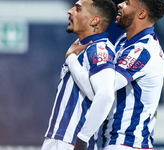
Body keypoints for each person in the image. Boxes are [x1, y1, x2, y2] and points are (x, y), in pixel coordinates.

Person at [65, 0, 164, 149]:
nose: (119, 4)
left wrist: (71, 59)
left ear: (141, 13)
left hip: (128, 144)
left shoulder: (143, 51)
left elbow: (101, 91)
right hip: (115, 142)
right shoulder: (123, 41)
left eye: (127, 3)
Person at [41, 0, 116, 150]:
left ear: (95, 20)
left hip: (71, 142)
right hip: (59, 139)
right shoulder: (83, 48)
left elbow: (104, 95)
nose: (70, 11)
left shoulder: (100, 49)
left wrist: (71, 60)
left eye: (77, 9)